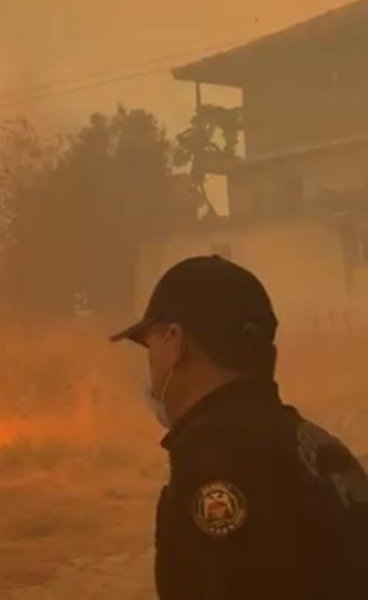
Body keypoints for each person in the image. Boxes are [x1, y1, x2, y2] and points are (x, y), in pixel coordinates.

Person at [112, 255, 368, 598]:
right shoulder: (316, 445)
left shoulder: (214, 467)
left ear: (175, 342)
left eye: (151, 343)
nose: (150, 365)